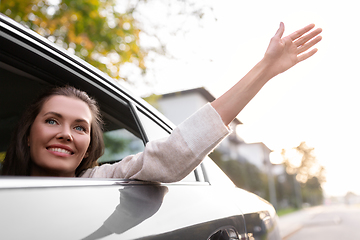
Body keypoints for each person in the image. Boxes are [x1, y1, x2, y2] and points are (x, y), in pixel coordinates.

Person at [2, 23, 322, 182]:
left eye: (80, 127)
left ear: (89, 146)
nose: (66, 134)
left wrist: (264, 69)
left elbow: (173, 153)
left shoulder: (100, 181)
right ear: (28, 134)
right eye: (52, 120)